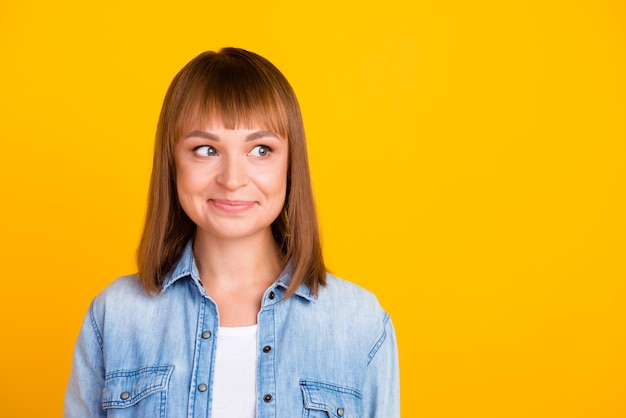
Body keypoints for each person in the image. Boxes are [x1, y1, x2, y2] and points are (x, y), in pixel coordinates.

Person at [64, 47, 400, 417]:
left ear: (291, 164)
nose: (232, 179)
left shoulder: (360, 323)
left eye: (260, 149)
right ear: (172, 162)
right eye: (206, 149)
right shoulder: (115, 316)